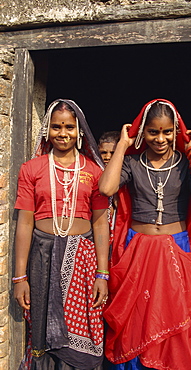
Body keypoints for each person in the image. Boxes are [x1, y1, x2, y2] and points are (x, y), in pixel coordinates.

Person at [99, 99, 191, 370]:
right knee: (135, 324)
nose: (160, 139)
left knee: (175, 323)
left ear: (176, 131)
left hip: (176, 250)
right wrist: (122, 145)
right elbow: (106, 188)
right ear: (143, 132)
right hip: (137, 253)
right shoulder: (132, 164)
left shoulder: (185, 164)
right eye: (153, 131)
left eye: (167, 132)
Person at [13, 99, 110, 370]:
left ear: (79, 130)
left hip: (83, 260)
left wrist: (103, 274)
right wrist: (20, 276)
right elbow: (24, 223)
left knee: (82, 327)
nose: (63, 133)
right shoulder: (31, 169)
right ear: (47, 130)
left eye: (69, 126)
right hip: (42, 256)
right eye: (56, 127)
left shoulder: (93, 171)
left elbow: (101, 223)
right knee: (42, 327)